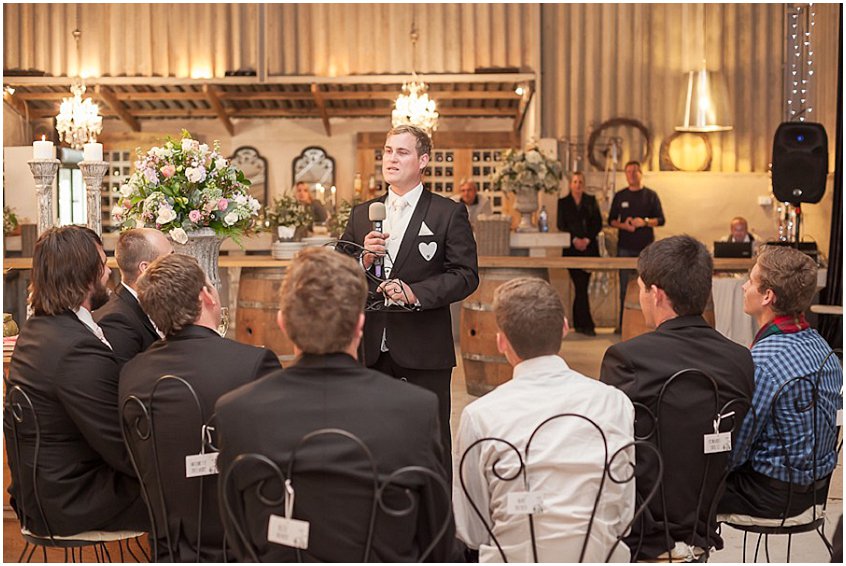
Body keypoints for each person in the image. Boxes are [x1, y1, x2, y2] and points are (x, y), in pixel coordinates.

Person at [214, 248, 462, 562]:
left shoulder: (237, 411)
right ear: (360, 325)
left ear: (283, 323)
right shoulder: (415, 410)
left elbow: (238, 534)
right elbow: (436, 539)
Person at [454, 277, 635, 562]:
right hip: (600, 557)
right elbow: (624, 515)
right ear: (565, 327)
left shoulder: (480, 415)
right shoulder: (614, 402)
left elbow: (472, 530)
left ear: (501, 342)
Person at [599, 235, 755, 560]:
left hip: (642, 528)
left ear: (657, 294)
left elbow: (609, 446)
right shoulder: (740, 359)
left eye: (642, 289)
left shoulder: (627, 358)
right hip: (704, 518)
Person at [119, 253, 280, 561]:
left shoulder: (133, 372)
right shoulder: (253, 363)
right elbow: (277, 459)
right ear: (206, 296)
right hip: (242, 544)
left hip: (169, 542)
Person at [338, 124, 479, 473]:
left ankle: (434, 507)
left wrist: (416, 293)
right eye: (388, 151)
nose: (391, 159)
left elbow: (465, 275)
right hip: (368, 349)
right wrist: (362, 260)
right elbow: (337, 271)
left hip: (423, 348)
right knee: (369, 442)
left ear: (423, 161)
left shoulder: (447, 213)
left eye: (402, 152)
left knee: (429, 444)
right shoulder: (362, 213)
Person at [4, 225, 148, 536]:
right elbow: (122, 449)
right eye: (102, 264)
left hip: (47, 492)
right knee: (196, 489)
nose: (108, 272)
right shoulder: (75, 348)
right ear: (84, 276)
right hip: (71, 502)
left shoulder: (39, 329)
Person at [719, 245, 842, 518]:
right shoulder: (824, 350)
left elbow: (736, 452)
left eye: (751, 281)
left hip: (771, 497)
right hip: (817, 491)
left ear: (768, 296)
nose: (744, 287)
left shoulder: (761, 362)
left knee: (683, 490)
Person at [94, 227, 173, 366]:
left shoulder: (162, 302)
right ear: (145, 268)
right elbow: (127, 375)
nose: (177, 263)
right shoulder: (116, 320)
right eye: (170, 257)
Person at [608, 161, 665, 332]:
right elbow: (611, 220)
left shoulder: (650, 195)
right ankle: (623, 325)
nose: (631, 174)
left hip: (646, 251)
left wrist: (645, 222)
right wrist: (624, 226)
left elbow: (661, 220)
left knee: (648, 287)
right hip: (624, 248)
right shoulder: (620, 196)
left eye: (634, 171)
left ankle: (648, 324)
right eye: (628, 172)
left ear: (641, 173)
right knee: (624, 287)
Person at [557, 171, 603, 336]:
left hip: (588, 249)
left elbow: (597, 223)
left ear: (584, 185)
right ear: (571, 185)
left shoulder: (590, 201)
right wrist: (575, 239)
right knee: (580, 285)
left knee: (582, 286)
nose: (578, 185)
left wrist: (587, 240)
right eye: (575, 182)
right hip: (572, 249)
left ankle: (581, 324)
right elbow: (561, 224)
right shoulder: (563, 202)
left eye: (580, 182)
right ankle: (586, 324)